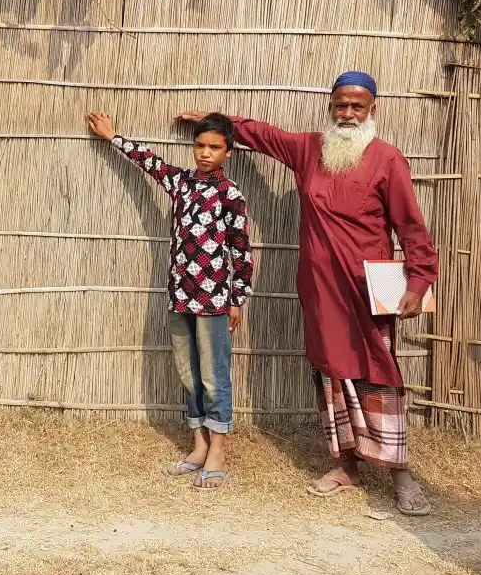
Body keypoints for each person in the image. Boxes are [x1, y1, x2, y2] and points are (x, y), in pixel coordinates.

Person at [177, 70, 438, 516]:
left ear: (372, 109)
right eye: (341, 104)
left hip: (368, 289)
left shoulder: (387, 159)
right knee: (332, 375)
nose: (349, 113)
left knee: (379, 372)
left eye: (357, 106)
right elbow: (266, 136)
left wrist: (417, 283)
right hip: (319, 289)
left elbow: (412, 227)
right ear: (330, 106)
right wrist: (222, 124)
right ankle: (348, 465)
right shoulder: (309, 150)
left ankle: (401, 474)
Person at [86, 110, 253, 491]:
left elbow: (242, 253)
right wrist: (114, 137)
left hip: (214, 300)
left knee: (214, 376)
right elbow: (149, 162)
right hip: (179, 295)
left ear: (229, 151)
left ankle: (218, 452)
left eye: (215, 147)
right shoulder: (180, 183)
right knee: (187, 372)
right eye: (199, 145)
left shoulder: (230, 195)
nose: (205, 153)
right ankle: (198, 446)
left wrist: (237, 299)